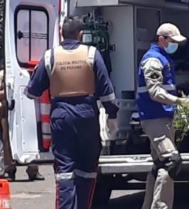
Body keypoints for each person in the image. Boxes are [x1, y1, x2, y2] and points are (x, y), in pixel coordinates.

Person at [25, 16, 119, 209]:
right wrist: (112, 115)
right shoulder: (92, 54)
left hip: (61, 116)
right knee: (87, 171)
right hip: (87, 115)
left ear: (61, 34)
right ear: (81, 34)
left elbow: (32, 90)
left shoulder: (50, 56)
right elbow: (106, 90)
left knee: (65, 172)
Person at [137, 23, 189, 209]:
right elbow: (155, 93)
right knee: (171, 161)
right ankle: (160, 206)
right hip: (155, 118)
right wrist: (182, 102)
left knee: (159, 165)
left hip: (161, 118)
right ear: (161, 39)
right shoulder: (153, 61)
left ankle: (150, 205)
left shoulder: (162, 58)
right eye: (172, 41)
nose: (175, 45)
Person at [0, 67, 44, 182]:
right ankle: (10, 170)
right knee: (8, 139)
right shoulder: (3, 75)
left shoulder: (28, 71)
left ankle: (33, 170)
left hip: (27, 104)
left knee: (31, 135)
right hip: (8, 108)